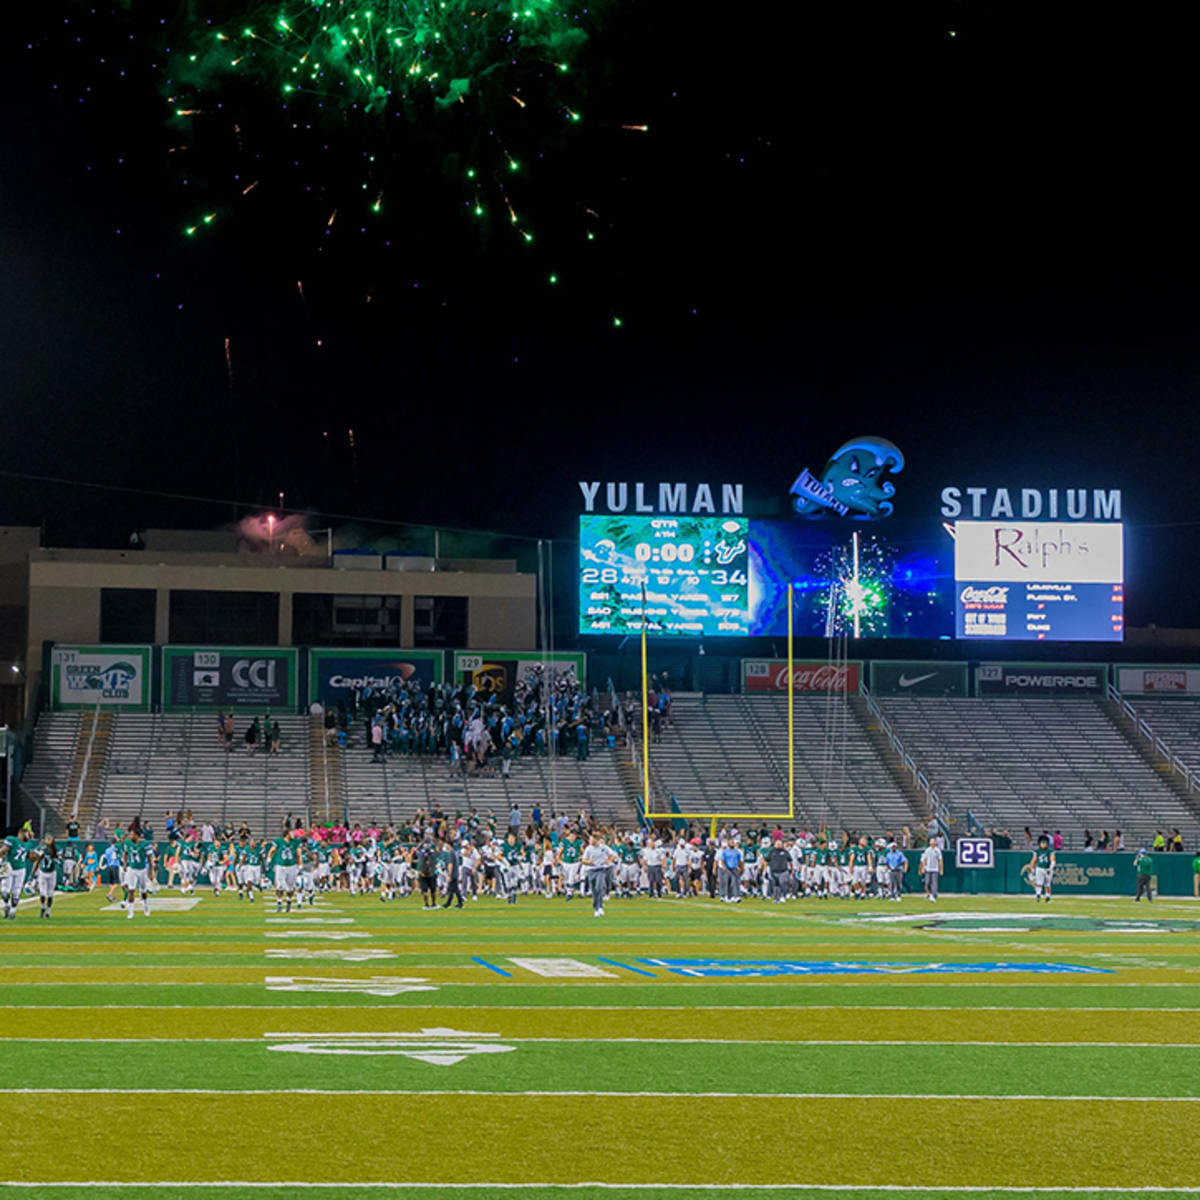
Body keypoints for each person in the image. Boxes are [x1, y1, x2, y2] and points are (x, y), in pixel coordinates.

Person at [121, 829, 155, 919]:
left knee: (143, 891)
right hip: (132, 869)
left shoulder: (145, 844)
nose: (130, 836)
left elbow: (149, 859)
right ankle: (131, 912)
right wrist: (125, 864)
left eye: (132, 834)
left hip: (142, 869)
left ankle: (146, 907)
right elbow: (125, 854)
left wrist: (151, 871)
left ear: (137, 835)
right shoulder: (128, 843)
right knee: (131, 890)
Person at [582, 832, 616, 917]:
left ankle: (599, 907)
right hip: (591, 870)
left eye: (591, 839)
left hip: (601, 869)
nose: (589, 840)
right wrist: (589, 862)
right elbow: (583, 860)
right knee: (594, 890)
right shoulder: (588, 849)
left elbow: (613, 855)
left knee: (599, 887)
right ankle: (596, 907)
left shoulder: (603, 848)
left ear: (596, 840)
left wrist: (609, 860)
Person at [31, 836, 60, 919]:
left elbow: (60, 859)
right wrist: (32, 874)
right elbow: (36, 861)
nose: (48, 841)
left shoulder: (56, 849)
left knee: (50, 894)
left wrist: (58, 859)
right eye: (46, 839)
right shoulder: (41, 849)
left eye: (49, 839)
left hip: (52, 873)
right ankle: (43, 906)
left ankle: (48, 911)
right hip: (43, 873)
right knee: (42, 893)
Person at [1029, 834, 1055, 903]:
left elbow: (1052, 860)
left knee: (1048, 884)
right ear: (1039, 844)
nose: (1044, 844)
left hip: (1047, 869)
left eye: (1045, 843)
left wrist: (1051, 868)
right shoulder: (1037, 851)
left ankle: (1048, 897)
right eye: (1042, 843)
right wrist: (1032, 869)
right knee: (1039, 883)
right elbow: (1034, 860)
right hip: (1039, 868)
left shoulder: (1050, 851)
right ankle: (1038, 895)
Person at [441, 839, 464, 909]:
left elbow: (450, 864)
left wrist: (449, 874)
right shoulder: (454, 852)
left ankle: (456, 903)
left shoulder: (450, 853)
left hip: (453, 873)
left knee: (453, 889)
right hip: (455, 873)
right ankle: (452, 902)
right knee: (453, 889)